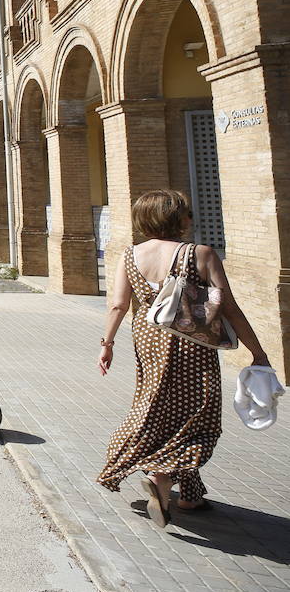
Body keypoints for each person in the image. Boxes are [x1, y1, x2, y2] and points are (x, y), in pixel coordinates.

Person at [95, 189, 270, 528]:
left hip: (148, 339)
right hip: (193, 342)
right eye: (187, 213)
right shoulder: (201, 254)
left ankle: (190, 495)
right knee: (198, 416)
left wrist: (107, 344)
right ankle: (162, 478)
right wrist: (257, 351)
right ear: (176, 218)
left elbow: (117, 304)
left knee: (156, 406)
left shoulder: (130, 255)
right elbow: (229, 307)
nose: (191, 218)